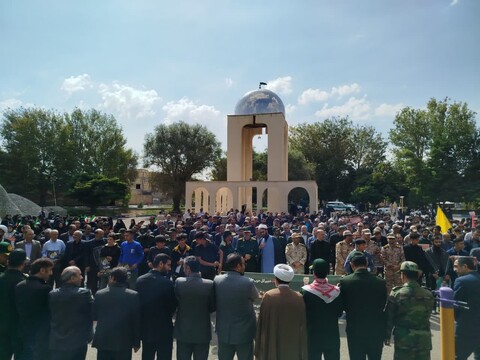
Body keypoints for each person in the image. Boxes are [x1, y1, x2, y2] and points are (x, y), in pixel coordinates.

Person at [339, 251, 387, 360]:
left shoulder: (345, 281)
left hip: (355, 327)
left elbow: (342, 305)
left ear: (351, 265)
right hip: (375, 327)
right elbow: (383, 302)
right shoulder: (380, 282)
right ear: (366, 264)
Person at [255, 263, 307, 360]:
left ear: (276, 279)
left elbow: (262, 322)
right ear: (290, 280)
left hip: (272, 343)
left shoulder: (269, 296)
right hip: (292, 344)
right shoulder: (298, 297)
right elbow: (302, 323)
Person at [384, 261, 434, 359]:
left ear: (403, 275)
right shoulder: (428, 294)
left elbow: (389, 316)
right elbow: (428, 313)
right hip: (423, 339)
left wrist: (387, 336)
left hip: (404, 338)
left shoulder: (396, 293)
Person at [214, 253, 259, 360]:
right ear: (238, 266)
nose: (244, 266)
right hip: (244, 333)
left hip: (224, 331)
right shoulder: (248, 282)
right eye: (243, 264)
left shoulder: (217, 280)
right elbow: (255, 297)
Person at [92, 267, 141, 360]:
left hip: (104, 340)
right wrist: (136, 342)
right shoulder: (133, 295)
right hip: (124, 341)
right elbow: (136, 321)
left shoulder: (100, 294)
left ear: (112, 278)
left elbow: (94, 316)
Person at [136, 253, 177, 360]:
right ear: (160, 264)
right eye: (168, 265)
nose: (169, 268)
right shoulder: (167, 283)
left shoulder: (140, 280)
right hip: (164, 328)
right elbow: (172, 305)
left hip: (146, 328)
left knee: (147, 355)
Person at [174, 256, 215, 360]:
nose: (183, 270)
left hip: (183, 331)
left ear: (188, 268)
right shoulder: (209, 284)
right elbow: (212, 307)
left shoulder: (179, 282)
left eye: (184, 267)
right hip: (202, 331)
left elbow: (175, 303)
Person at [49, 266, 93, 360]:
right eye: (79, 275)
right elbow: (92, 312)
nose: (82, 277)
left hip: (57, 341)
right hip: (78, 342)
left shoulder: (52, 294)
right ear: (72, 278)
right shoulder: (84, 293)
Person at [302, 259, 342, 360]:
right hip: (332, 334)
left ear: (314, 273)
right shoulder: (336, 291)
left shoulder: (305, 291)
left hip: (312, 335)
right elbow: (339, 312)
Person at [15, 258, 54, 360]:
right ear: (42, 270)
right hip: (40, 336)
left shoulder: (19, 286)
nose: (51, 273)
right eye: (49, 270)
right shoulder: (45, 289)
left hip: (22, 332)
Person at [0, 249, 27, 360]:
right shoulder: (24, 281)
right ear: (23, 263)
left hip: (2, 325)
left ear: (8, 262)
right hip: (19, 326)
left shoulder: (1, 278)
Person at [453, 256, 480, 360]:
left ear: (465, 266)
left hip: (466, 328)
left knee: (458, 357)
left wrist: (456, 319)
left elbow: (455, 304)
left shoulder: (461, 281)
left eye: (456, 266)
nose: (454, 269)